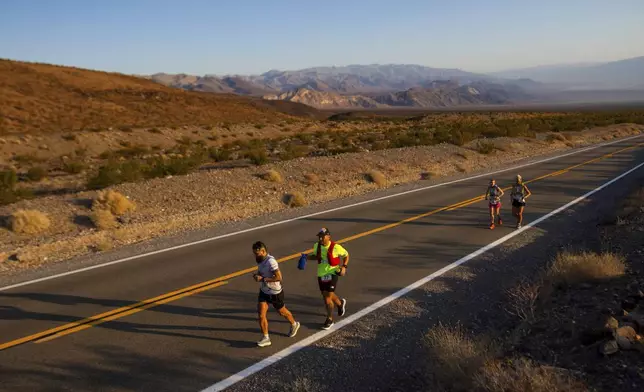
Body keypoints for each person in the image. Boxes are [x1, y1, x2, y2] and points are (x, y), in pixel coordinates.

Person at [252, 241, 300, 347]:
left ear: (263, 251)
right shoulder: (259, 260)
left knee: (282, 312)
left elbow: (279, 277)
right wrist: (257, 276)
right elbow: (261, 272)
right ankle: (266, 337)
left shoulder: (271, 261)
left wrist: (263, 279)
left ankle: (294, 324)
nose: (255, 255)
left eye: (257, 253)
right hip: (264, 291)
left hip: (275, 292)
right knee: (261, 314)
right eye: (254, 253)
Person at [302, 228, 349, 330]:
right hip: (321, 274)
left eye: (322, 236)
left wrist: (344, 267)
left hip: (333, 272)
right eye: (319, 236)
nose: (320, 238)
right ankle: (340, 304)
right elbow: (316, 256)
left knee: (327, 297)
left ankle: (329, 319)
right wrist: (307, 257)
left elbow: (346, 255)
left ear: (328, 236)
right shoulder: (317, 246)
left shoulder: (336, 247)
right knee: (326, 295)